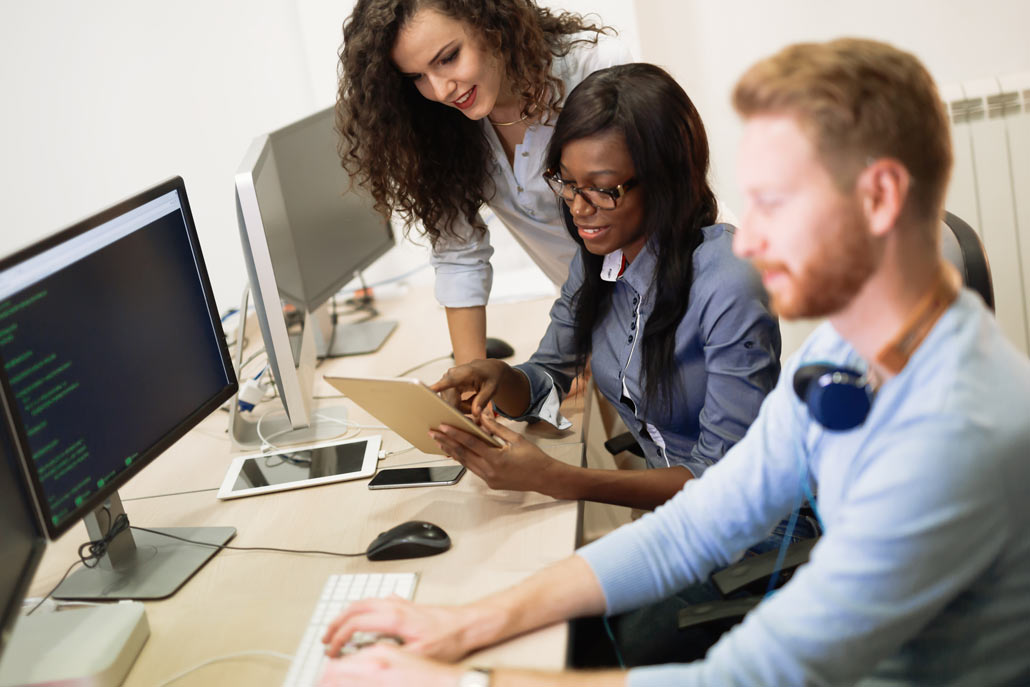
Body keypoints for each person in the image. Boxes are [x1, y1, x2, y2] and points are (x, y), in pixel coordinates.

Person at [317, 38, 1030, 686]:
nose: (752, 238)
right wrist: (464, 622)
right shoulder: (844, 355)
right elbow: (701, 521)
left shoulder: (958, 442)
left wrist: (460, 682)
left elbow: (753, 676)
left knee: (605, 642)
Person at [429, 63, 781, 512]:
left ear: (664, 178)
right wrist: (502, 378)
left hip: (751, 542)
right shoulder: (602, 257)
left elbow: (722, 479)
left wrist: (558, 479)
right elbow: (547, 378)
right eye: (567, 183)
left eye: (602, 189)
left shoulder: (728, 279)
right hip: (681, 528)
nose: (578, 208)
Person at [336, 0, 631, 365]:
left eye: (448, 58)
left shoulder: (594, 68)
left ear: (490, 24)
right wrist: (470, 377)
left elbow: (654, 221)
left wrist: (596, 358)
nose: (441, 90)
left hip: (678, 306)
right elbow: (460, 254)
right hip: (595, 324)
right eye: (416, 77)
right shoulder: (446, 124)